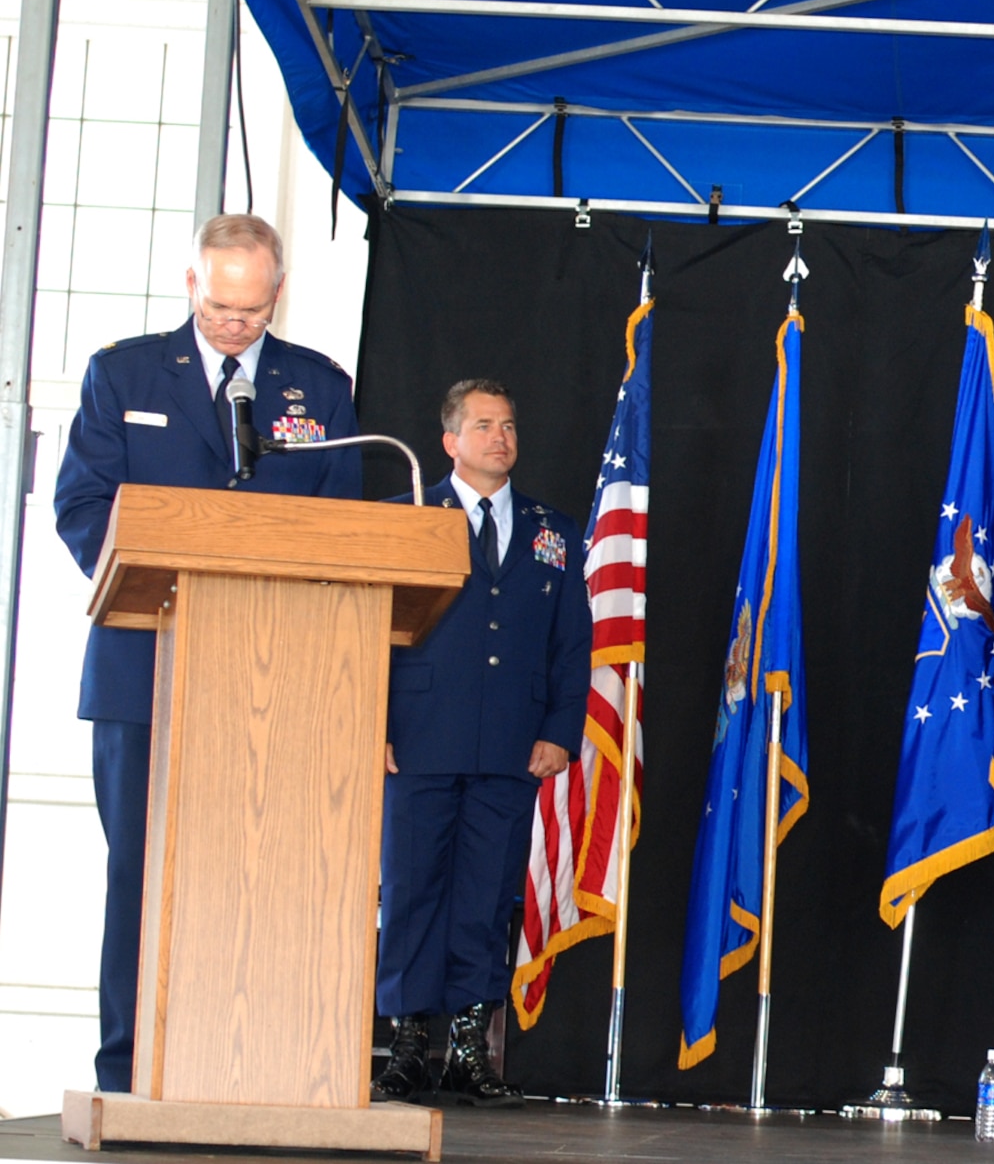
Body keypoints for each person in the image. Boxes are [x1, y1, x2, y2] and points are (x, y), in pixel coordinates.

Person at [52, 213, 362, 1094]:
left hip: (279, 675)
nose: (233, 325)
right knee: (141, 874)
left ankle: (249, 1064)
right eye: (220, 306)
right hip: (144, 668)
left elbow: (344, 529)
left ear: (277, 294)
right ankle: (129, 1069)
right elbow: (82, 507)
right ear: (191, 285)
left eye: (251, 311)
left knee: (266, 871)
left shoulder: (320, 388)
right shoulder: (126, 372)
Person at [372, 379, 590, 1107]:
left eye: (509, 424)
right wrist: (371, 726)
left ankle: (468, 1045)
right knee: (410, 891)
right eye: (485, 424)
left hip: (509, 744)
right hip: (418, 739)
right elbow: (368, 628)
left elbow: (570, 643)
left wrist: (561, 731)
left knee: (484, 897)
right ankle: (406, 1044)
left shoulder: (549, 529)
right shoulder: (406, 517)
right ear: (450, 440)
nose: (501, 437)